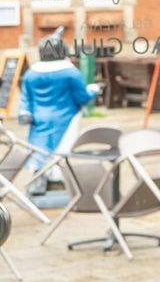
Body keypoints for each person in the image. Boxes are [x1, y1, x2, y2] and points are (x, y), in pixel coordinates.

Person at [18, 27, 99, 195]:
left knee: (39, 149)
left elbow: (26, 98)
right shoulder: (70, 73)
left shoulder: (31, 74)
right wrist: (94, 90)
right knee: (61, 150)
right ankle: (58, 182)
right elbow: (82, 97)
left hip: (39, 119)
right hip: (65, 118)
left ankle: (39, 179)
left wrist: (25, 112)